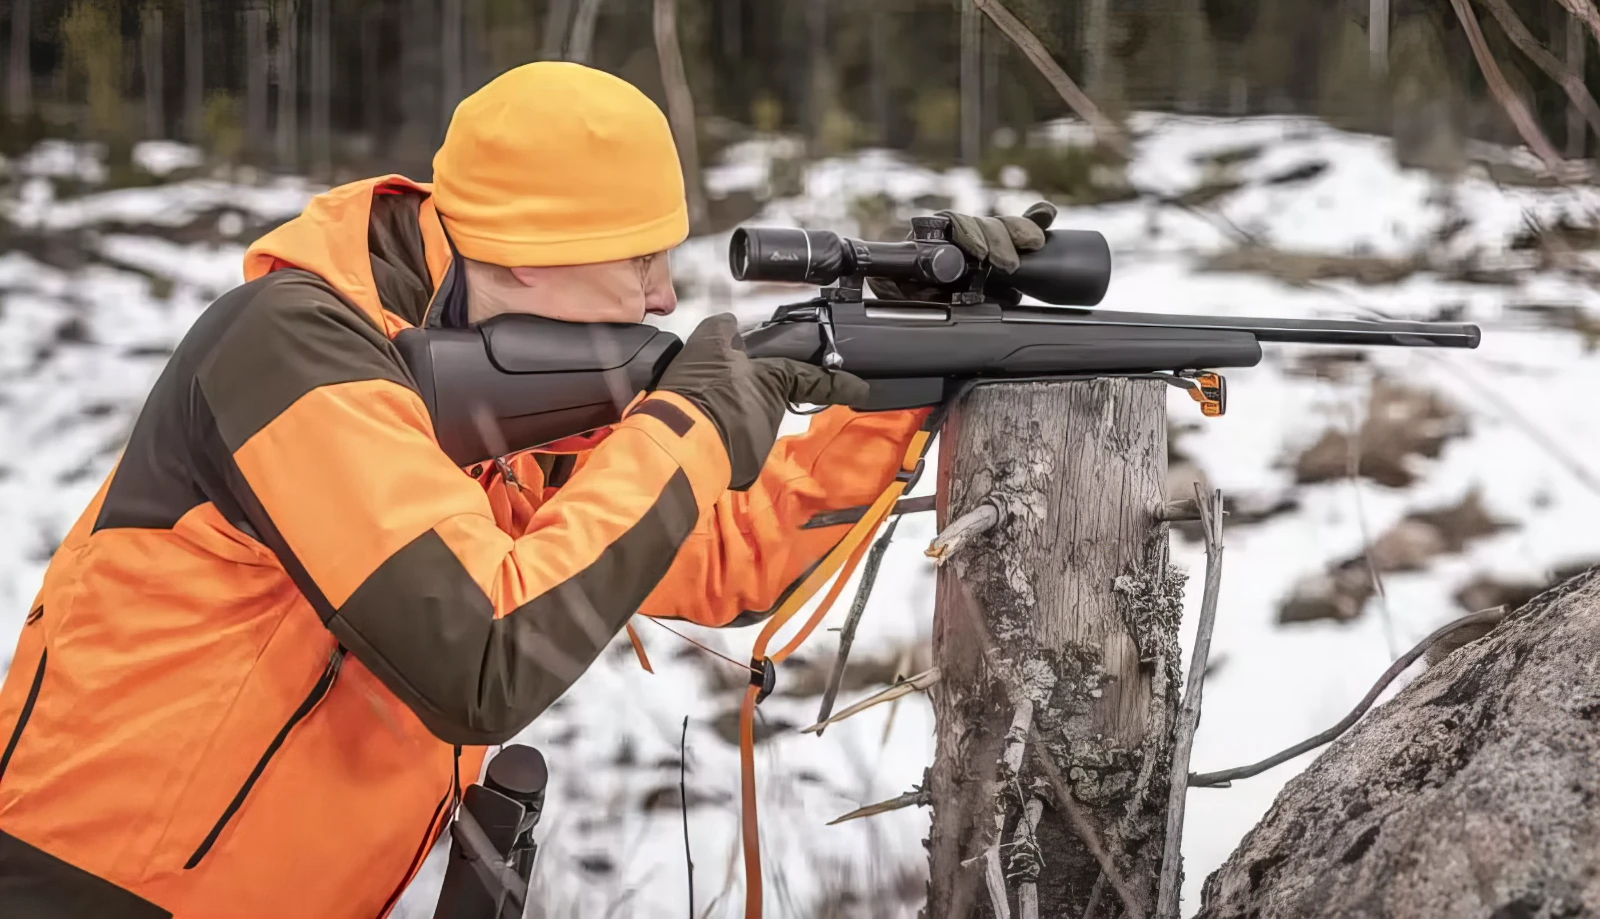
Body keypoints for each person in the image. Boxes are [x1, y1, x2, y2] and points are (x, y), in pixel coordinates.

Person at [0, 62, 1054, 918]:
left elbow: (734, 548)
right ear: (526, 260)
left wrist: (888, 372)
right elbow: (481, 657)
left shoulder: (503, 382)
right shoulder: (289, 351)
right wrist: (691, 419)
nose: (662, 294)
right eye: (639, 261)